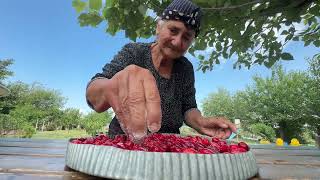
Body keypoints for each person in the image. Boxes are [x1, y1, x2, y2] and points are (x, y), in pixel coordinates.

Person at [86, 0, 236, 141]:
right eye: (173, 30)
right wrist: (110, 86)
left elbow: (189, 108)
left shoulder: (185, 68)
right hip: (124, 143)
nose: (177, 42)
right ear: (158, 27)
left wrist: (201, 122)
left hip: (168, 147)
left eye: (186, 37)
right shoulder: (134, 52)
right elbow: (95, 91)